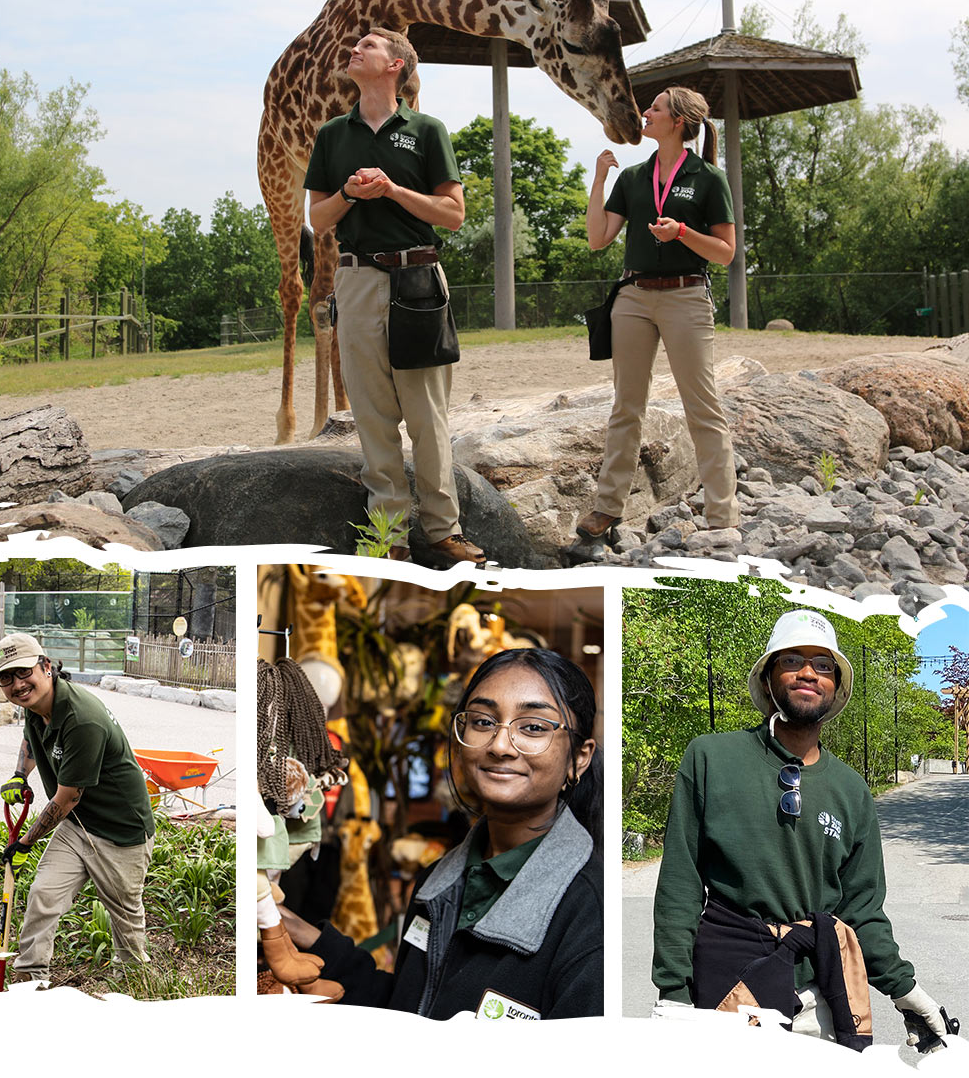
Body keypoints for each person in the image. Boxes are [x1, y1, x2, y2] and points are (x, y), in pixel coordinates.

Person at [651, 609, 947, 1049]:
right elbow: (680, 883)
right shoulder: (711, 758)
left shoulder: (851, 790)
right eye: (791, 660)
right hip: (730, 987)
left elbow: (862, 910)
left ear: (836, 688)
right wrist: (673, 993)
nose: (808, 673)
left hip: (819, 994)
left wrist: (905, 991)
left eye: (823, 665)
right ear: (769, 679)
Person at [277, 647, 604, 1018]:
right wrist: (313, 940)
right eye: (483, 721)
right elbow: (415, 1008)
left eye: (533, 728)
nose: (499, 745)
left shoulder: (592, 916)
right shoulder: (437, 881)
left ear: (580, 757)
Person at [304, 27, 485, 567]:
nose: (354, 49)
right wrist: (348, 194)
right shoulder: (333, 134)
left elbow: (452, 215)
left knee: (428, 415)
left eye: (368, 46)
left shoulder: (427, 130)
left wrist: (393, 190)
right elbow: (317, 219)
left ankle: (443, 530)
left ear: (395, 67)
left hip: (419, 280)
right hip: (356, 282)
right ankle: (390, 536)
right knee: (373, 415)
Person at [577, 87, 739, 550]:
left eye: (655, 108)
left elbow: (725, 254)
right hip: (632, 298)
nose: (645, 112)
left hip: (687, 297)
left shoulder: (708, 179)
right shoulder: (632, 176)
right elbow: (597, 238)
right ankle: (607, 507)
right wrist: (599, 180)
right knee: (626, 406)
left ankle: (722, 516)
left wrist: (683, 231)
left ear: (679, 122)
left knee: (702, 407)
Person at [0, 632, 155, 983]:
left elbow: (67, 798)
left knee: (125, 915)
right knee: (43, 896)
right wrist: (20, 776)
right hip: (77, 826)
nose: (18, 684)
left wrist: (25, 842)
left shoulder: (82, 718)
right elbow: (31, 739)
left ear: (46, 666)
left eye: (23, 673)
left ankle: (132, 984)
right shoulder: (36, 706)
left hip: (120, 831)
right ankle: (31, 977)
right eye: (6, 678)